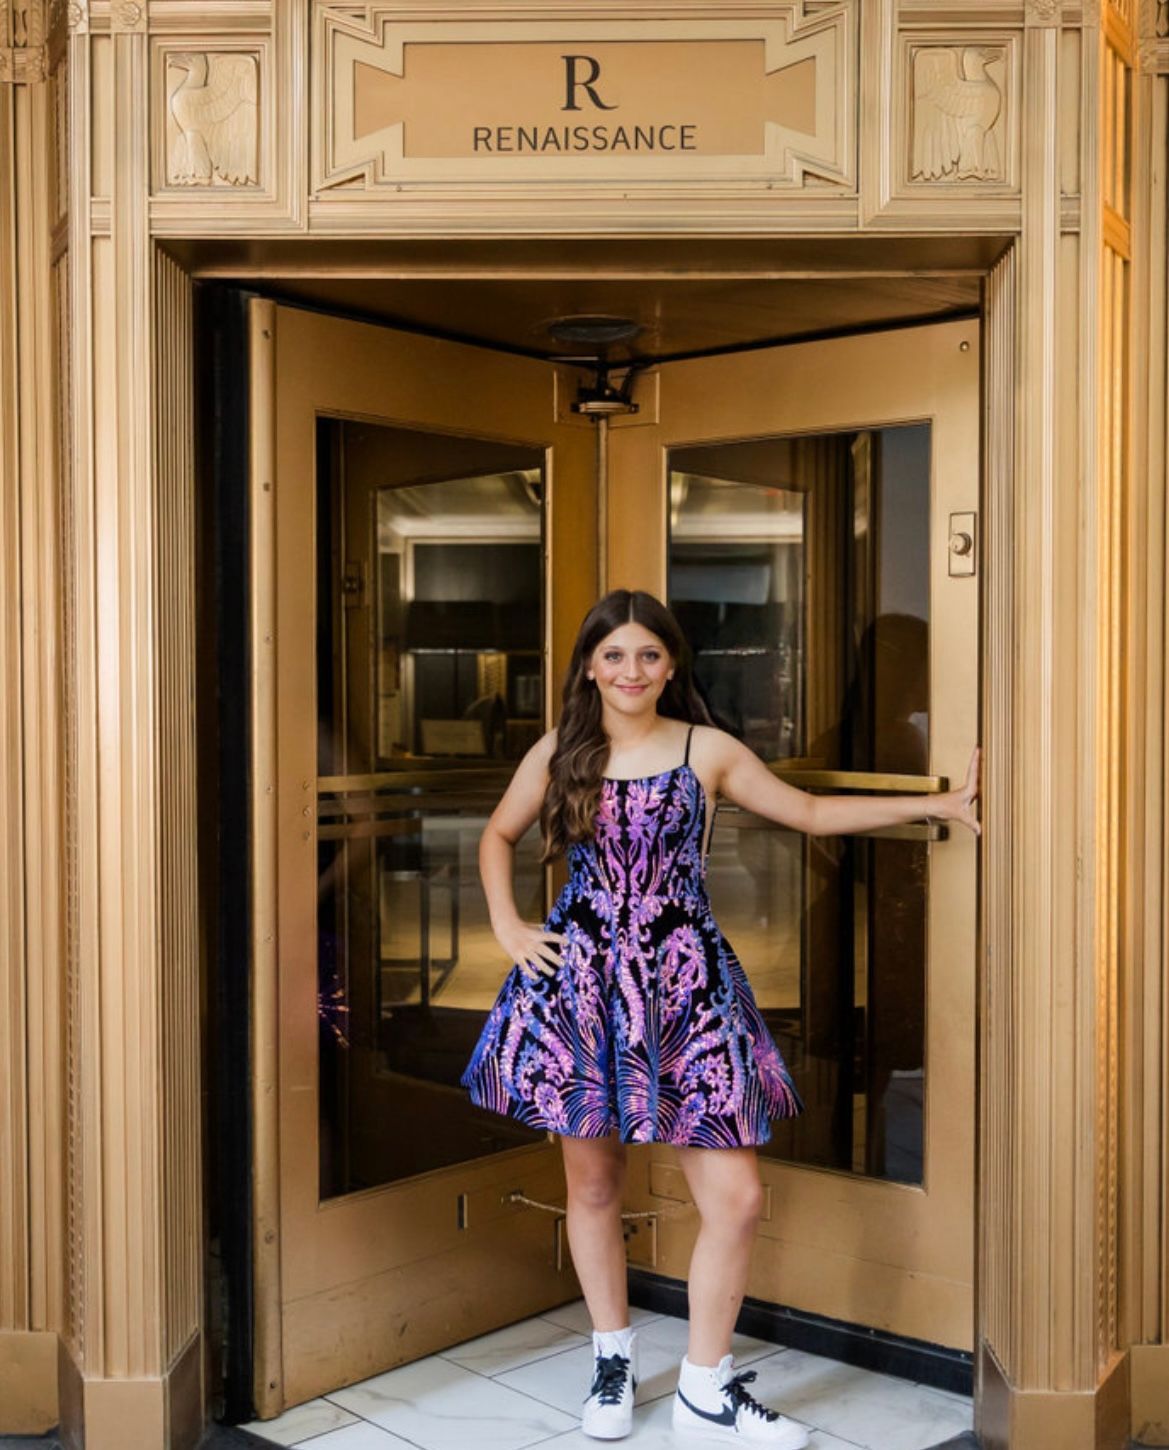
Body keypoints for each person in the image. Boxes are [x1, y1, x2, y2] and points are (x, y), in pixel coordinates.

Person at [460, 590, 980, 1444]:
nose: (631, 671)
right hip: (582, 988)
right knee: (593, 1184)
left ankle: (705, 1387)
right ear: (589, 666)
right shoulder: (560, 749)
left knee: (736, 1199)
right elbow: (496, 835)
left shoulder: (706, 749)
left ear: (671, 665)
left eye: (648, 655)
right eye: (614, 655)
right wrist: (508, 925)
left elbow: (807, 812)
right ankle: (611, 1359)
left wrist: (938, 805)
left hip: (688, 988)